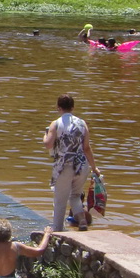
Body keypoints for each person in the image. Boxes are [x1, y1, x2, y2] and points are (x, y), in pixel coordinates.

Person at [44, 94, 100, 231]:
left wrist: (45, 136)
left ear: (58, 108)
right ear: (73, 107)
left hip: (64, 166)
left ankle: (57, 229)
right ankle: (82, 221)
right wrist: (95, 167)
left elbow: (48, 144)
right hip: (82, 166)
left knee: (60, 200)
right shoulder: (82, 123)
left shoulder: (56, 123)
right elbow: (86, 148)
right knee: (75, 196)